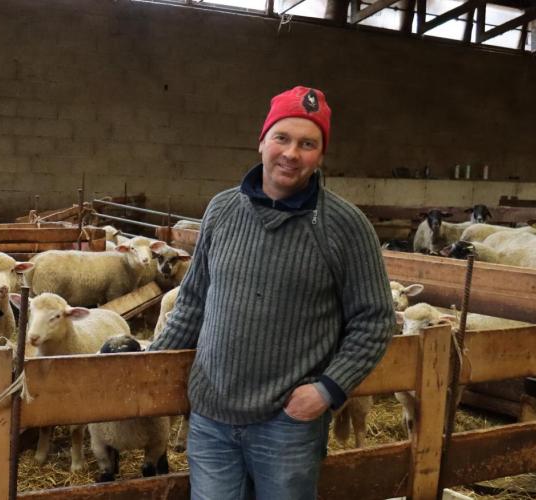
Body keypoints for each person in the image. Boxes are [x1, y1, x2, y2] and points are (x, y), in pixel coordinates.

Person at [150, 86, 396, 499]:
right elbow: (193, 300)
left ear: (321, 154)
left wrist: (328, 389)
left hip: (288, 423)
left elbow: (375, 319)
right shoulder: (222, 209)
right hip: (210, 415)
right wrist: (149, 364)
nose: (291, 153)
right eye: (282, 138)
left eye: (308, 143)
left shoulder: (346, 226)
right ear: (262, 140)